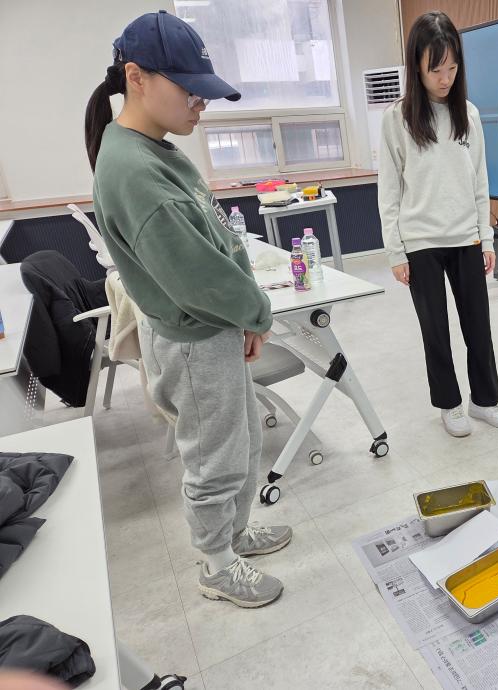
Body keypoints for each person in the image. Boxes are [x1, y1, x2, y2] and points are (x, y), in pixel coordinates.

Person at [86, 11, 291, 608]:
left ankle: (235, 533)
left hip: (215, 328)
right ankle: (217, 562)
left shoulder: (158, 150)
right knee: (215, 456)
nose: (201, 101)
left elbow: (219, 239)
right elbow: (195, 274)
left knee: (245, 438)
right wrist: (254, 310)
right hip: (192, 339)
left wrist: (246, 316)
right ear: (137, 76)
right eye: (189, 87)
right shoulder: (130, 167)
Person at [377, 11, 498, 437]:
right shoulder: (396, 119)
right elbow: (390, 192)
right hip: (421, 242)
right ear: (416, 65)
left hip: (466, 237)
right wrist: (396, 251)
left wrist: (486, 238)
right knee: (435, 331)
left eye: (452, 67)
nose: (445, 77)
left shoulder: (468, 114)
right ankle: (449, 404)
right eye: (436, 68)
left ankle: (484, 400)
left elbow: (479, 181)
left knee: (479, 326)